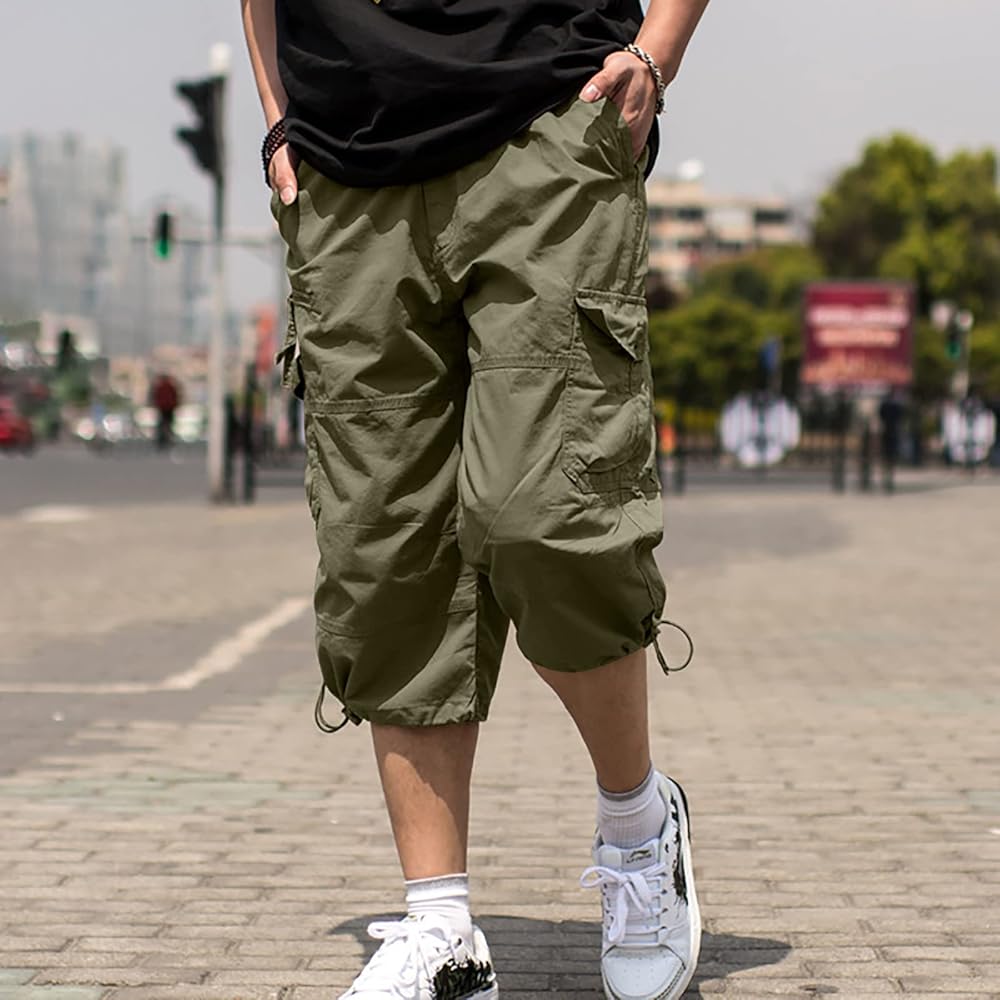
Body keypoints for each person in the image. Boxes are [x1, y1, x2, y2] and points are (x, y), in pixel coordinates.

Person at [242, 1, 709, 997]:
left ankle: (637, 826)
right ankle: (440, 925)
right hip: (346, 165)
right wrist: (279, 121)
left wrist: (656, 51)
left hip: (544, 123)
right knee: (383, 554)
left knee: (548, 516)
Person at [150, 373, 180, 451]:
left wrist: (156, 404)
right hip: (169, 407)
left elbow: (155, 396)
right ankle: (167, 438)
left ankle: (163, 439)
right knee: (168, 424)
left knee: (162, 424)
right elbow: (175, 396)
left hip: (163, 407)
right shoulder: (170, 386)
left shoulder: (160, 387)